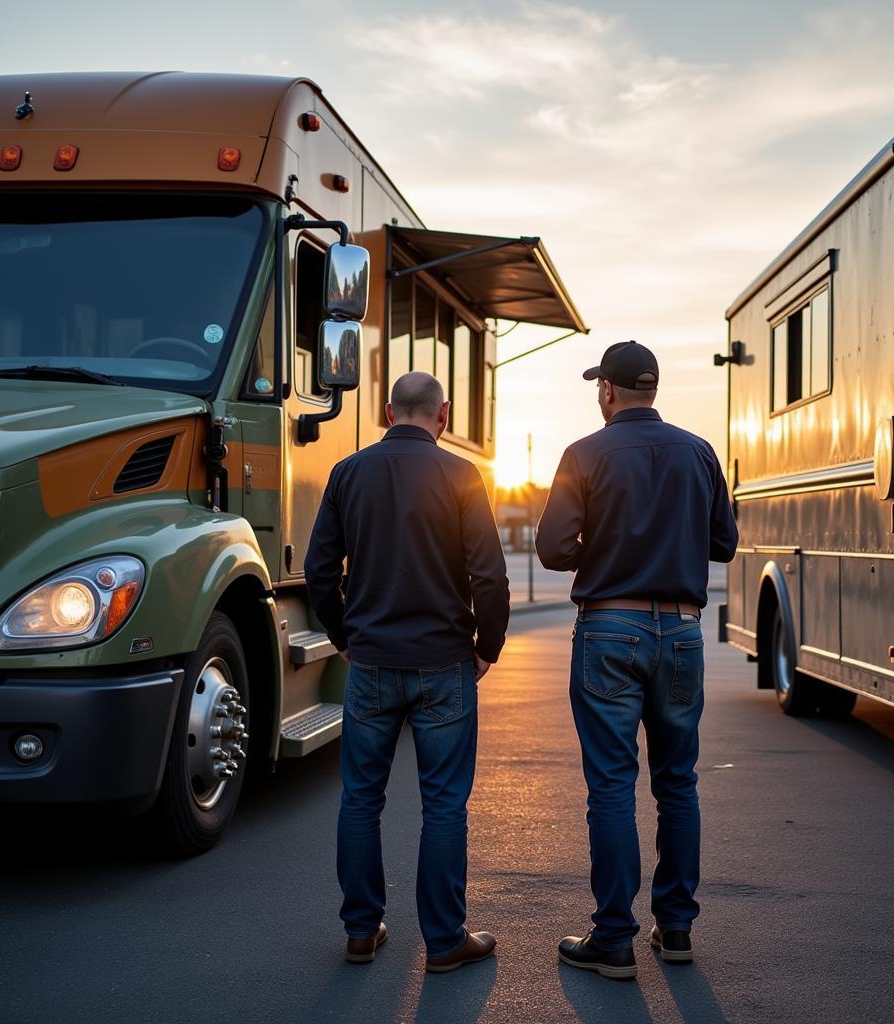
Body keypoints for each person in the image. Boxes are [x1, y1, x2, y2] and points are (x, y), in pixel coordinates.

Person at [536, 341, 738, 980]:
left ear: (609, 391)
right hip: (680, 633)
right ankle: (675, 928)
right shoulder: (699, 452)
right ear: (651, 389)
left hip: (609, 630)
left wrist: (603, 550)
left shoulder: (584, 454)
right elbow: (724, 545)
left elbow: (549, 548)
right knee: (678, 781)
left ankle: (614, 939)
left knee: (612, 787)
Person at [305, 371, 510, 973]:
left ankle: (361, 931)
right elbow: (491, 577)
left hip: (370, 664)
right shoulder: (461, 475)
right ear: (443, 415)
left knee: (361, 799)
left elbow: (321, 570)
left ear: (386, 412)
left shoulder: (349, 473)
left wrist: (344, 637)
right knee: (444, 805)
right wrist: (486, 647)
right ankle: (446, 941)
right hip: (445, 663)